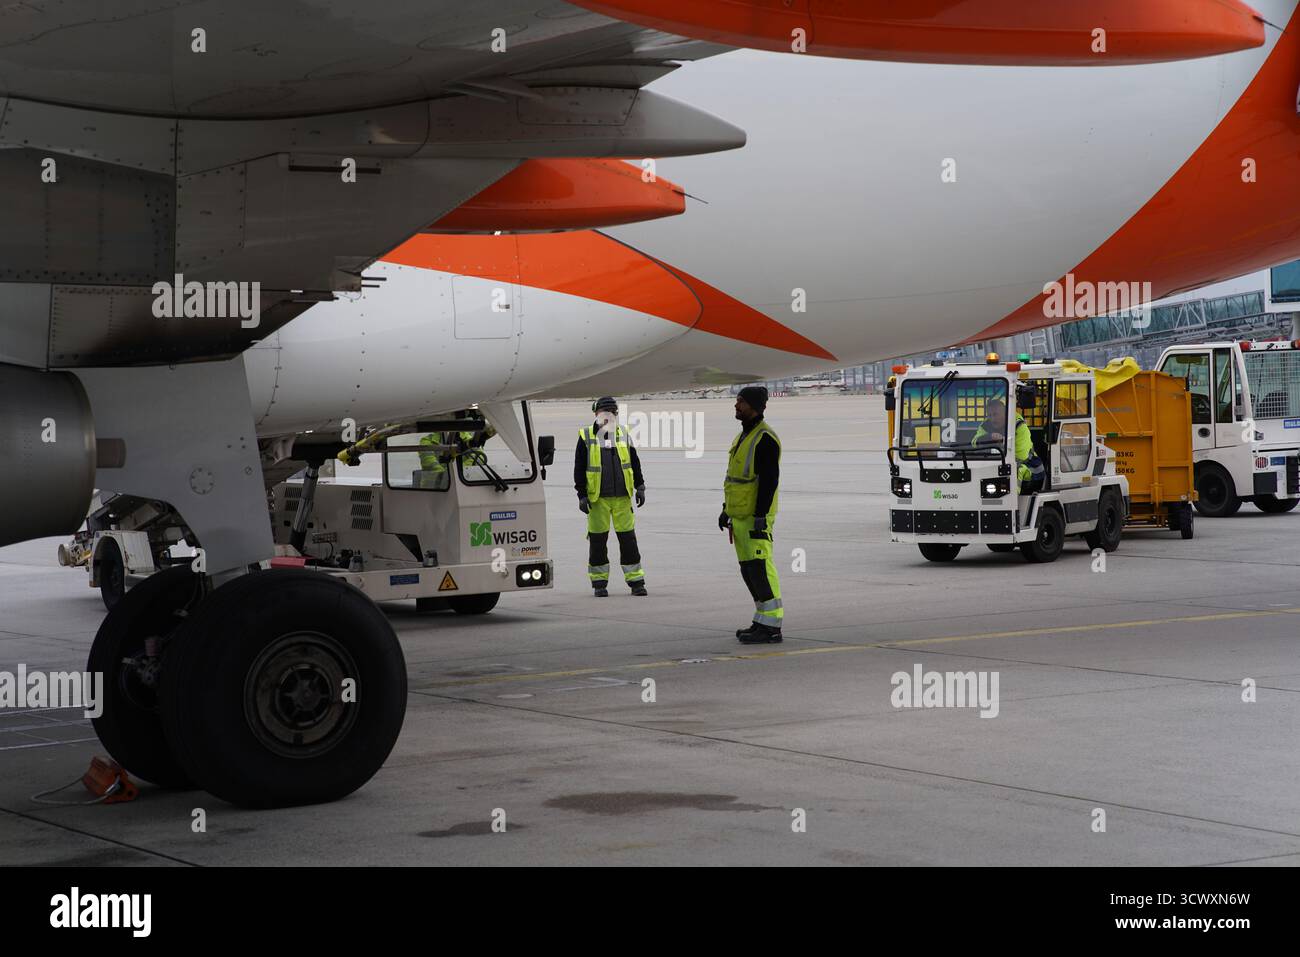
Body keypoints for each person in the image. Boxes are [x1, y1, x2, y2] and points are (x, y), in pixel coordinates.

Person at [719, 385, 782, 643]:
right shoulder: (744, 436)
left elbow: (769, 482)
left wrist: (760, 515)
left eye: (741, 402)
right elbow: (736, 480)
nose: (736, 406)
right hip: (740, 516)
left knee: (760, 568)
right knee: (748, 570)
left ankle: (772, 627)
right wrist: (726, 511)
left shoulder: (764, 439)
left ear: (753, 406)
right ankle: (761, 620)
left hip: (755, 517)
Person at [574, 397, 647, 597]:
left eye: (612, 412)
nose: (608, 415)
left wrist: (640, 486)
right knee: (598, 542)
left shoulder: (623, 433)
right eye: (604, 411)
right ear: (596, 414)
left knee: (628, 540)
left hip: (623, 497)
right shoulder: (586, 435)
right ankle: (599, 584)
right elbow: (579, 467)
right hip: (598, 499)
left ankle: (636, 582)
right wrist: (581, 495)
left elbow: (634, 461)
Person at [973, 394, 1044, 492]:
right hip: (1000, 462)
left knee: (1014, 469)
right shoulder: (986, 424)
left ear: (1005, 413)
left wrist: (1003, 442)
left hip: (1031, 467)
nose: (992, 418)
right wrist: (989, 437)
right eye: (989, 415)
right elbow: (974, 443)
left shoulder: (1019, 426)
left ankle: (1011, 503)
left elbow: (1021, 456)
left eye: (995, 414)